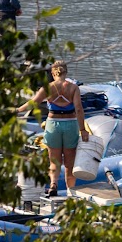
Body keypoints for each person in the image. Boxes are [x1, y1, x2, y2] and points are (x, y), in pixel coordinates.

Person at [26, 62, 82, 197]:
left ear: (52, 73)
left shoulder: (47, 88)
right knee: (69, 163)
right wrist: (83, 130)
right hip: (70, 124)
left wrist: (16, 110)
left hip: (53, 124)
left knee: (54, 161)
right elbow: (79, 109)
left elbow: (32, 103)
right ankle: (71, 192)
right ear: (66, 72)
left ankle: (53, 184)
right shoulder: (73, 88)